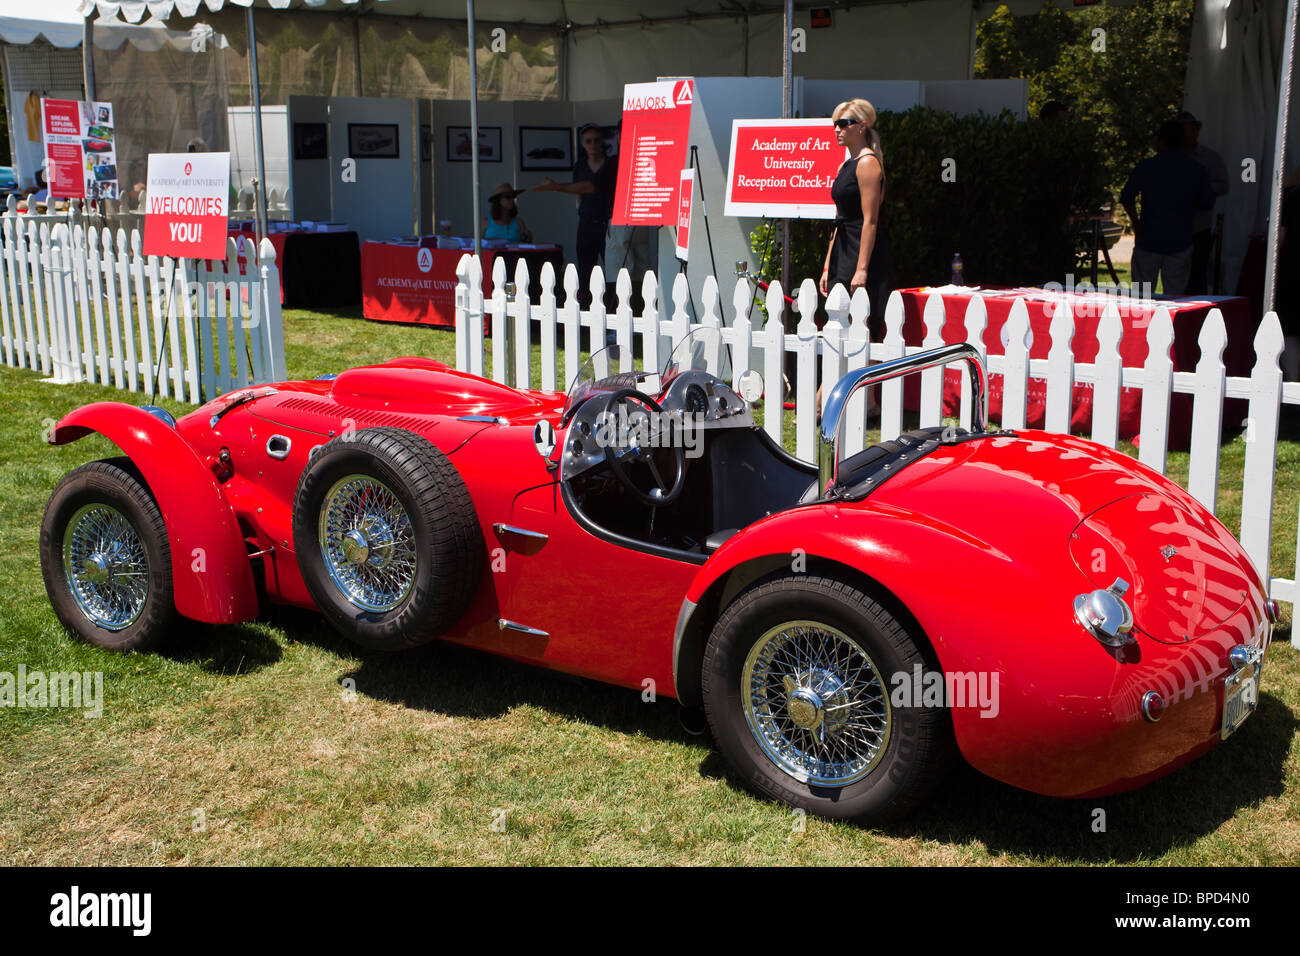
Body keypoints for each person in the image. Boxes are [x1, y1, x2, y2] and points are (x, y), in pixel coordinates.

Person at [819, 98, 895, 330]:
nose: (837, 130)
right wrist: (826, 265)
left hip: (861, 249)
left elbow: (870, 220)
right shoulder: (845, 166)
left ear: (862, 126)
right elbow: (838, 218)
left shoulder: (867, 163)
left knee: (862, 324)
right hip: (842, 248)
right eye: (835, 124)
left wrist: (862, 269)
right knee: (838, 320)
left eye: (844, 123)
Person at [1120, 119, 1215, 297]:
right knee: (1175, 297)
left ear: (1160, 140)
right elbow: (1206, 203)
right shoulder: (1196, 169)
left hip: (1148, 239)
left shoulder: (1146, 166)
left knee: (1142, 297)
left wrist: (1136, 223)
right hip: (1181, 240)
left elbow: (1127, 198)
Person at [533, 123, 617, 302]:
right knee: (585, 268)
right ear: (583, 144)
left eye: (596, 140)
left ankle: (611, 306)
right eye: (588, 141)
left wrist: (556, 187)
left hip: (608, 224)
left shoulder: (612, 164)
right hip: (587, 222)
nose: (593, 144)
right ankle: (586, 305)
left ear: (602, 142)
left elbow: (590, 186)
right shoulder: (580, 166)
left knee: (612, 269)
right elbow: (579, 193)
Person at [1177, 111, 1229, 295]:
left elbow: (1223, 185)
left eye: (1191, 130)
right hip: (1174, 226)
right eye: (1184, 130)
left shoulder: (1210, 158)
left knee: (1197, 271)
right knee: (1175, 274)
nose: (1188, 134)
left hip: (1199, 226)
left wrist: (1201, 190)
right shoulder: (1171, 157)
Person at [1277, 166, 1300, 380]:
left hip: (1294, 268)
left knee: (1290, 327)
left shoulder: (1290, 198)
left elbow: (1279, 239)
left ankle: (1293, 381)